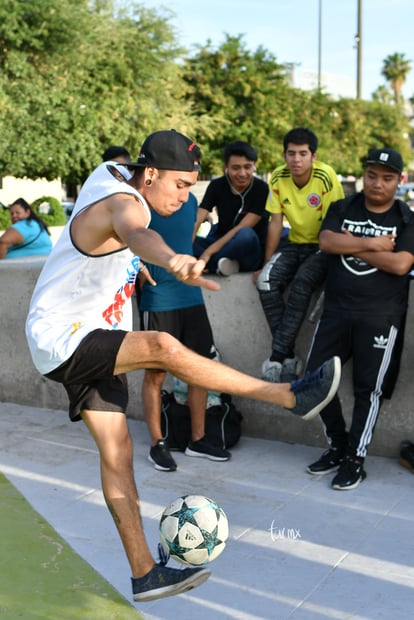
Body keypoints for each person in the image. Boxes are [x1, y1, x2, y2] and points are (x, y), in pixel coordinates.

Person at [25, 129, 341, 603]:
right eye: (178, 185)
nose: (184, 196)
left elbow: (124, 242)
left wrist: (134, 264)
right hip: (64, 336)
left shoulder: (112, 172)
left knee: (117, 457)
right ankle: (290, 397)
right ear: (149, 174)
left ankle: (145, 574)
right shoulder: (123, 201)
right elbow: (134, 230)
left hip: (86, 333)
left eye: (191, 186)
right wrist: (171, 257)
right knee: (163, 346)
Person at [305, 147, 414, 490]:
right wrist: (374, 244)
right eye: (371, 175)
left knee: (370, 390)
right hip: (336, 311)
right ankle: (337, 445)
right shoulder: (343, 207)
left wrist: (351, 243)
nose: (377, 184)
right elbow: (325, 241)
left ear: (399, 180)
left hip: (380, 317)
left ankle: (355, 458)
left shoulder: (406, 216)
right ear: (362, 175)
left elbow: (401, 265)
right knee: (313, 380)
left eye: (386, 178)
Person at [138, 191, 230, 472]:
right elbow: (121, 237)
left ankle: (198, 439)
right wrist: (136, 264)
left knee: (199, 368)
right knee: (156, 373)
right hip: (158, 297)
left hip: (191, 296)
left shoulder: (190, 202)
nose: (188, 180)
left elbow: (185, 241)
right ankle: (158, 443)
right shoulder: (142, 199)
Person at [256, 127, 345, 383]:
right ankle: (288, 356)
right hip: (294, 243)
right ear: (284, 155)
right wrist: (265, 263)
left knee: (302, 282)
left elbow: (335, 222)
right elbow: (275, 223)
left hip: (323, 245)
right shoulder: (277, 177)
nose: (296, 159)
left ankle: (276, 356)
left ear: (313, 156)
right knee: (265, 281)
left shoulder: (325, 176)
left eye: (302, 153)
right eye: (291, 153)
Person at [193, 140, 269, 276]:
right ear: (225, 167)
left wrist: (207, 254)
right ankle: (222, 263)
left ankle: (212, 263)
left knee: (245, 235)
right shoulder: (216, 186)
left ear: (254, 166)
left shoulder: (261, 189)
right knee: (185, 240)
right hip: (220, 241)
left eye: (247, 167)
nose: (242, 173)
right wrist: (186, 249)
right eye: (236, 168)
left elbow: (240, 229)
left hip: (247, 248)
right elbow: (198, 218)